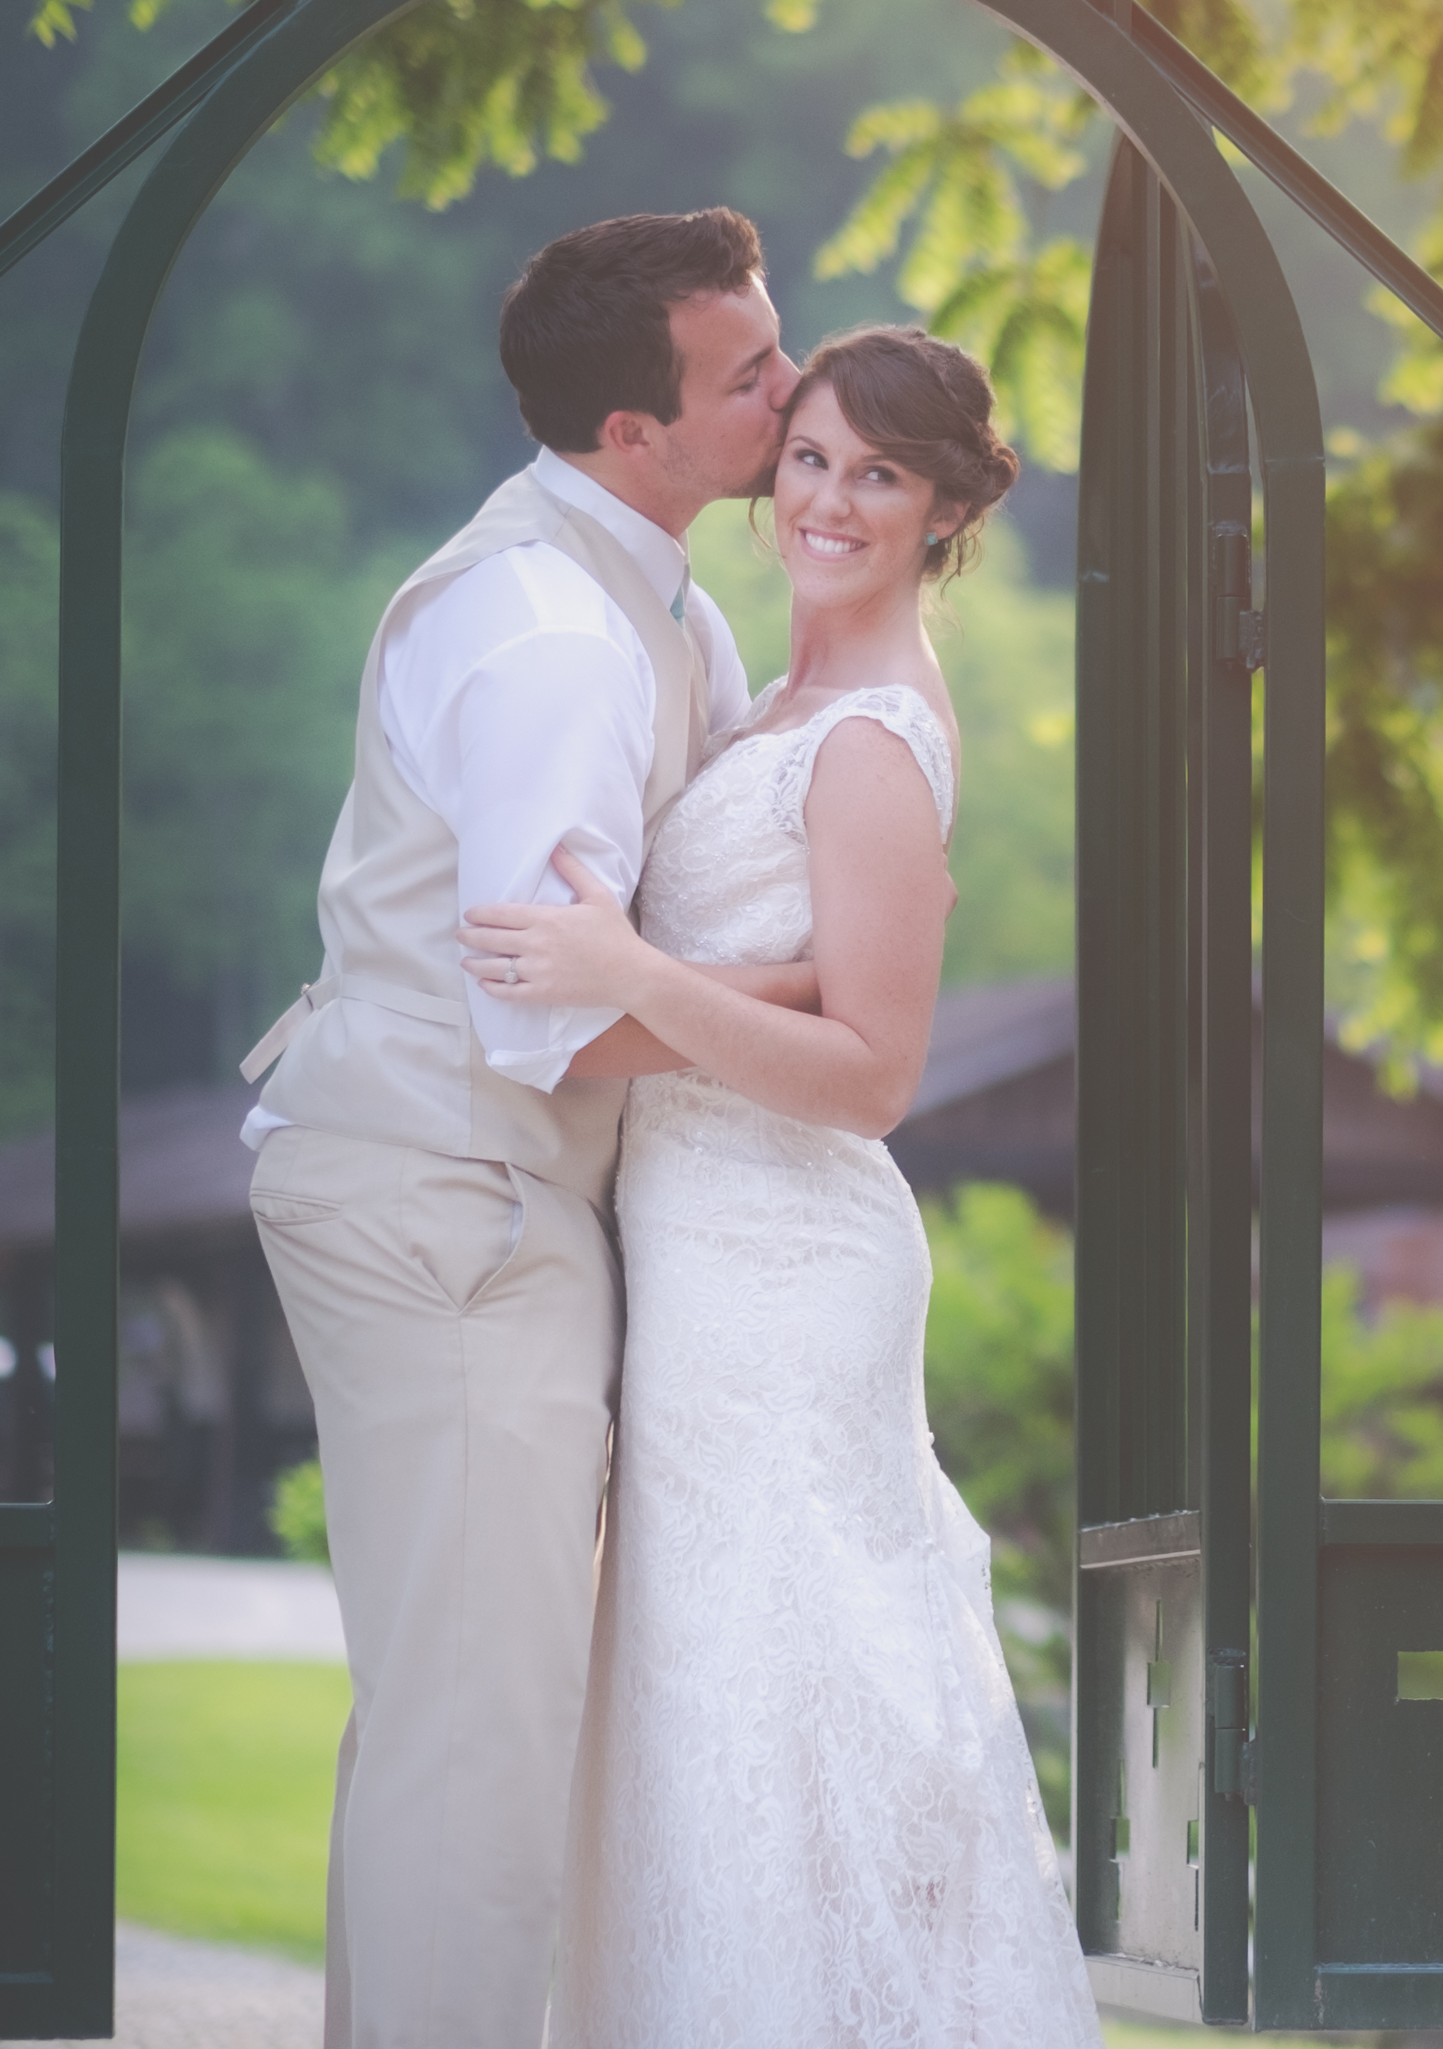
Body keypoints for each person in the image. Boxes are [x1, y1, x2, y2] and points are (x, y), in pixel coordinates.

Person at [456, 325, 1103, 2048]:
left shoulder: (875, 738)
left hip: (785, 1259)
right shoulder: (777, 698)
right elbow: (821, 983)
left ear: (945, 507)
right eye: (809, 455)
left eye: (879, 474)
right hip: (694, 1241)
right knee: (709, 1692)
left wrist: (620, 968)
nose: (827, 498)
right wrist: (691, 991)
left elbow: (878, 1073)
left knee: (782, 1679)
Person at [241, 209, 813, 2049]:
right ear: (629, 434)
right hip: (449, 1201)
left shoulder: (657, 597)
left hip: (476, 1192)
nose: (792, 389)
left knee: (455, 1725)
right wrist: (822, 1026)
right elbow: (552, 1025)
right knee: (477, 1748)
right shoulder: (557, 632)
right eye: (751, 376)